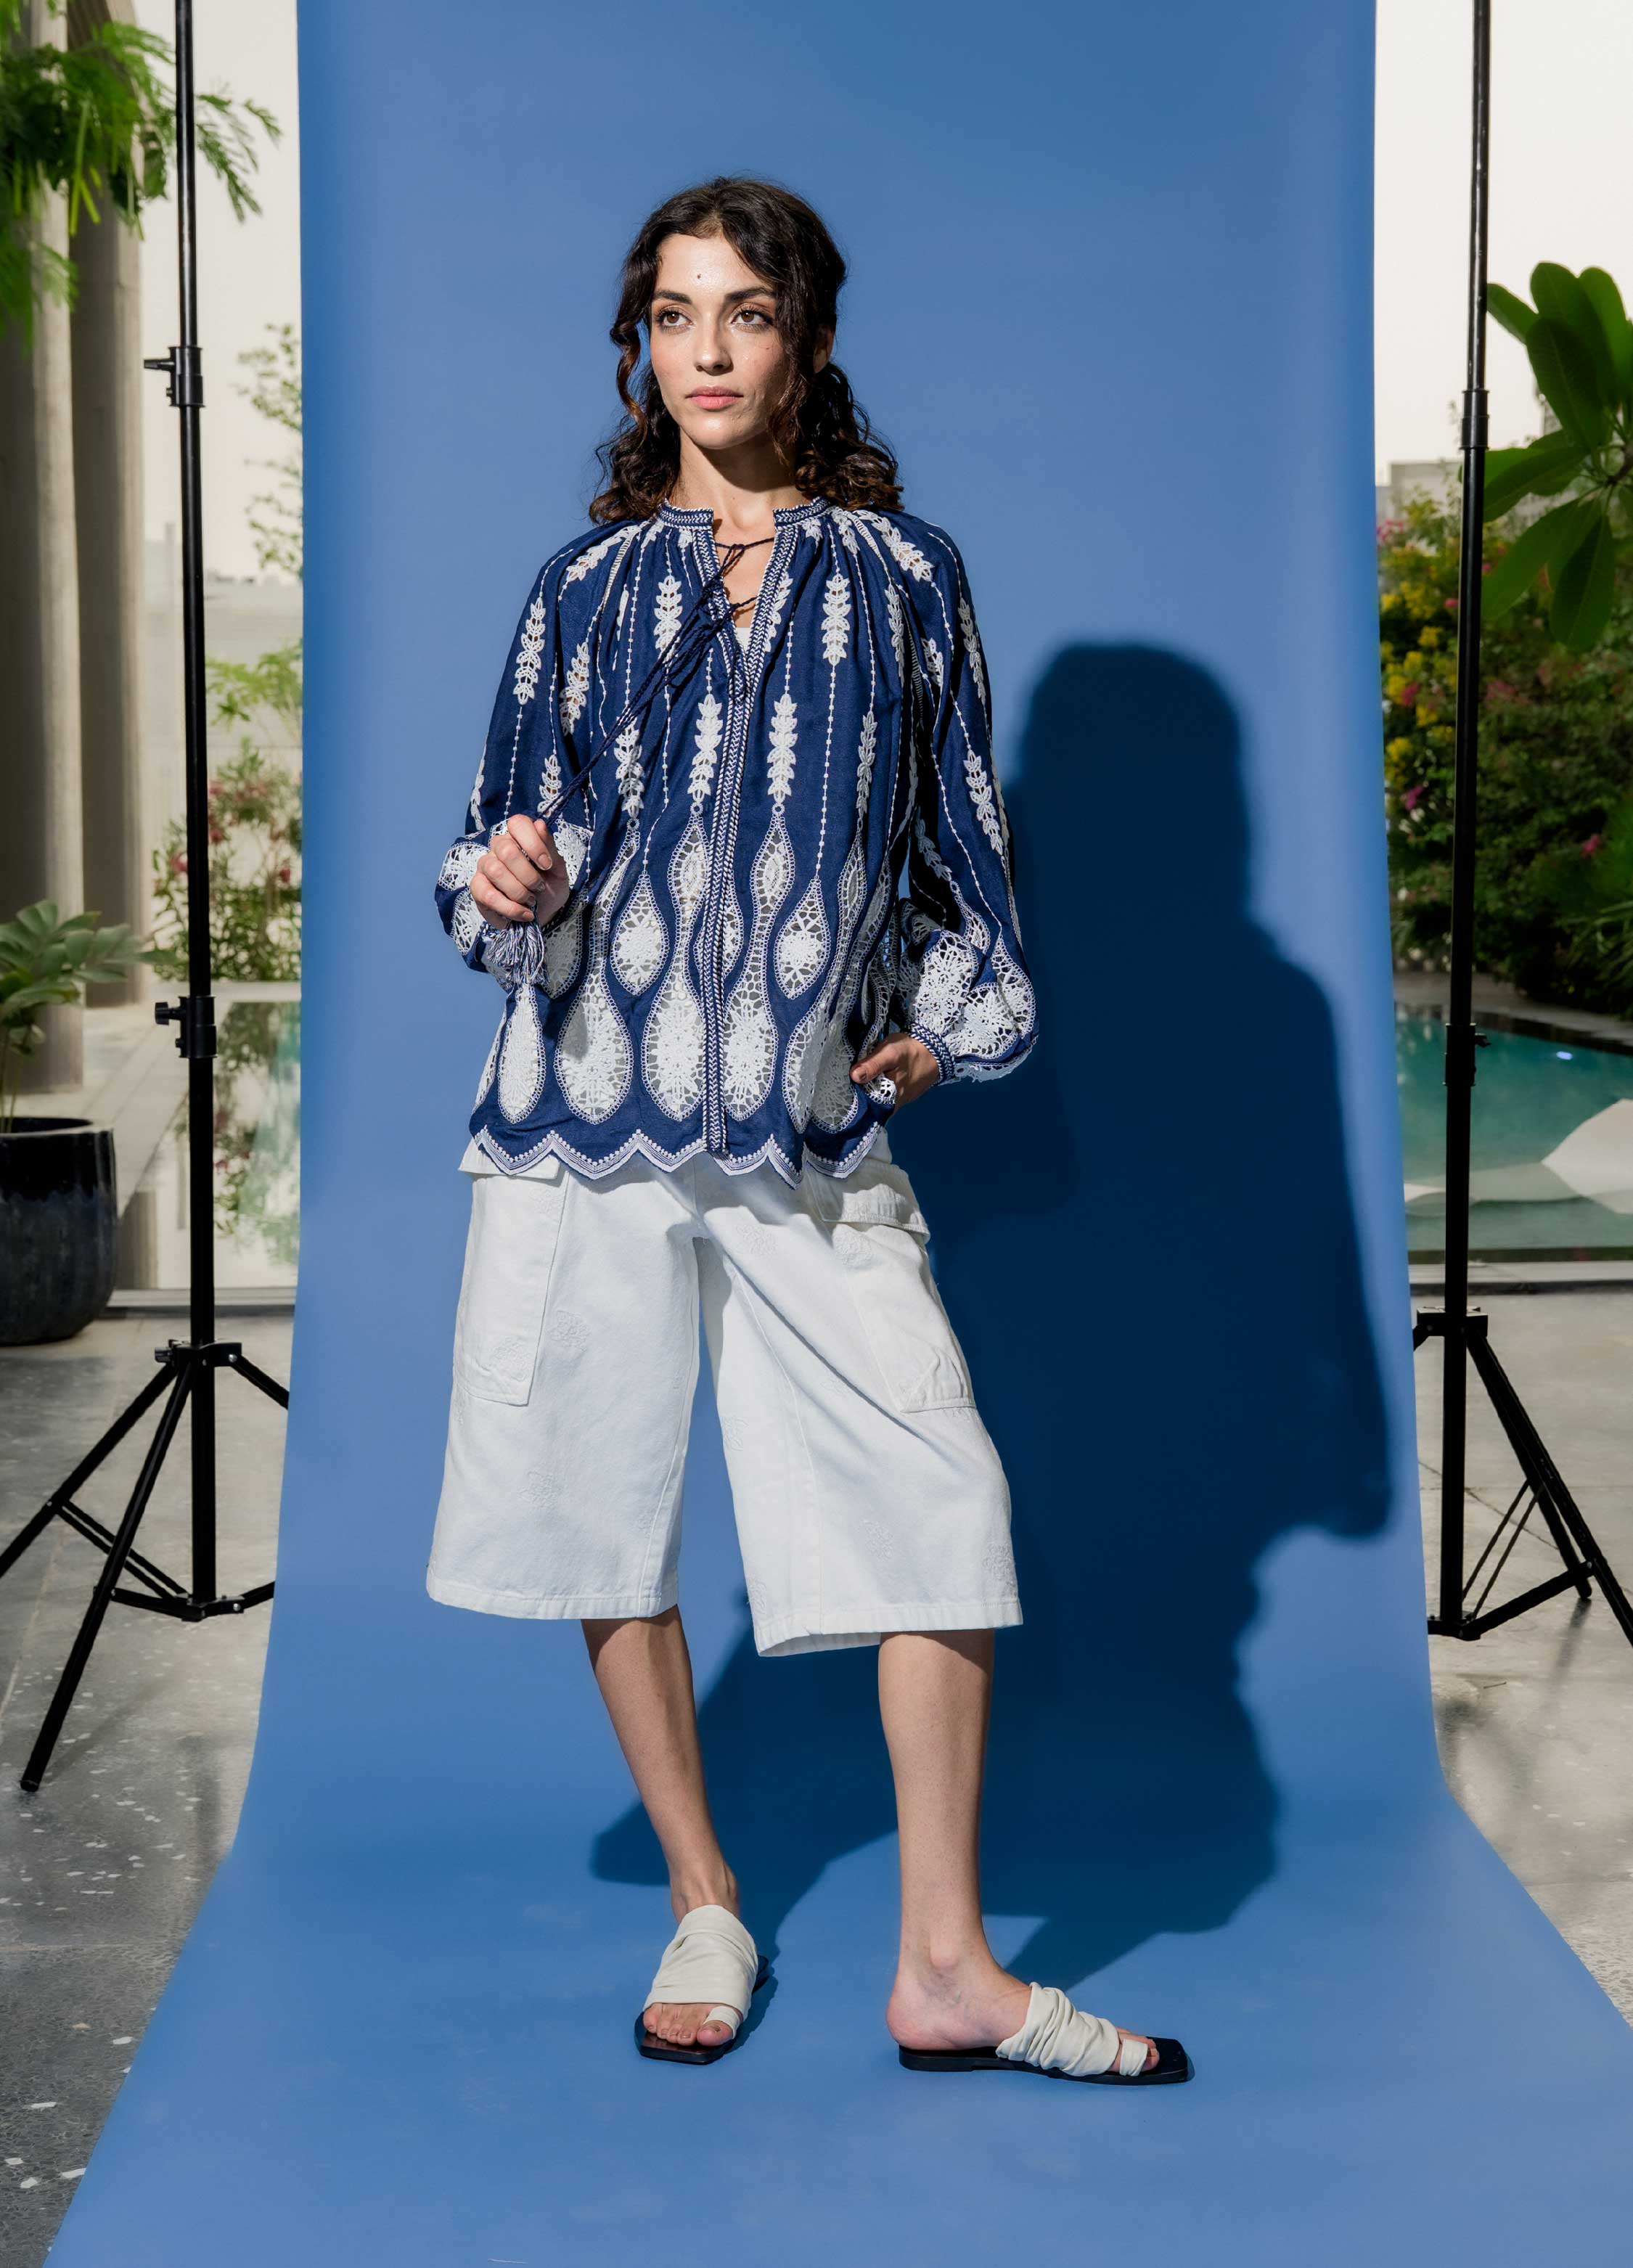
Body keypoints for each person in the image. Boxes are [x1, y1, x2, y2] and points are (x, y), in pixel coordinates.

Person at [425, 176, 1190, 2088]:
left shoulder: (906, 578)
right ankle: (703, 1894)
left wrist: (937, 1032)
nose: (706, 352)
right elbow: (488, 856)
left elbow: (963, 861)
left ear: (809, 338)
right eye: (673, 316)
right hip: (582, 1109)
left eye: (745, 314)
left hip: (803, 1129)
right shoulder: (577, 591)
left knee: (939, 1499)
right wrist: (508, 880)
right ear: (640, 345)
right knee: (602, 1502)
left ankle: (946, 1966)